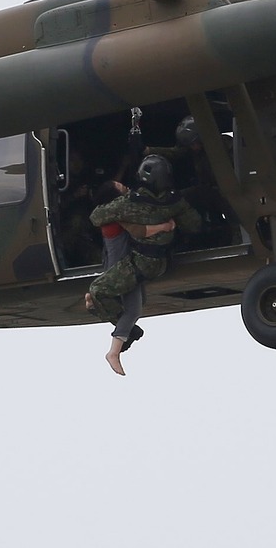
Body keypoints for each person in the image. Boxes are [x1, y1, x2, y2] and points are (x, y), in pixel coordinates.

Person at [85, 155, 202, 375]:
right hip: (160, 262)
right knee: (135, 304)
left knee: (116, 300)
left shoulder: (129, 205)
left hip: (138, 263)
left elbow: (96, 216)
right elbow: (194, 224)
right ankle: (120, 334)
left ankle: (117, 341)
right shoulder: (174, 202)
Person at [144, 115, 238, 247]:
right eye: (191, 145)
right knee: (178, 198)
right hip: (208, 190)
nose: (193, 147)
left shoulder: (223, 146)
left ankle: (238, 242)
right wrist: (149, 151)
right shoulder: (194, 148)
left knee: (234, 216)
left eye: (195, 144)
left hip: (229, 189)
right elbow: (175, 152)